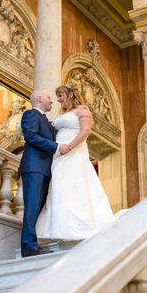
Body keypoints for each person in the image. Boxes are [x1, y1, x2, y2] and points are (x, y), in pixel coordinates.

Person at [36, 84, 114, 242]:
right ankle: (59, 226)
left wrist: (70, 147)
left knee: (74, 184)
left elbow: (85, 131)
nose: (58, 100)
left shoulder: (82, 109)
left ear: (70, 94)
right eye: (56, 96)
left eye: (60, 95)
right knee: (59, 185)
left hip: (74, 152)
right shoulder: (62, 113)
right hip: (59, 154)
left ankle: (78, 226)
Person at [18, 90, 68, 257]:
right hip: (34, 167)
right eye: (48, 98)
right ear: (39, 99)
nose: (52, 101)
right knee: (31, 207)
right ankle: (28, 246)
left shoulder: (47, 121)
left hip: (46, 169)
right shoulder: (30, 115)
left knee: (38, 208)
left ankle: (33, 243)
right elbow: (31, 136)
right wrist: (56, 147)